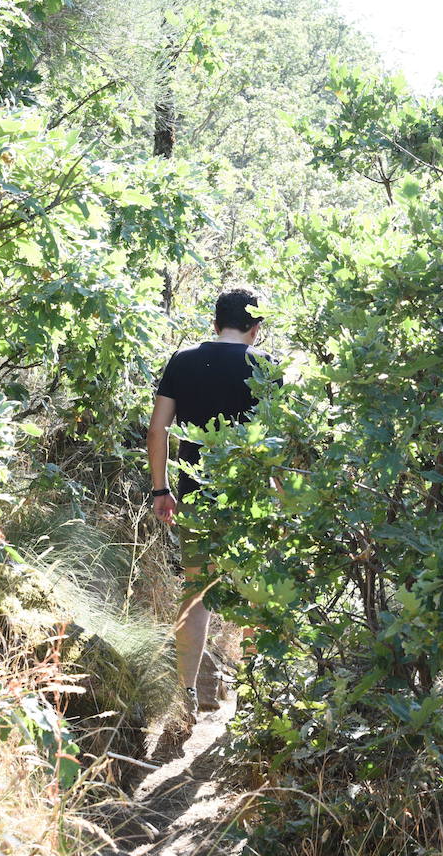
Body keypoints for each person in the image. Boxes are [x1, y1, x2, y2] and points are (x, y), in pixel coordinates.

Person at [147, 284, 275, 732]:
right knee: (258, 595)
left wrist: (162, 490)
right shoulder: (266, 369)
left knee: (197, 591)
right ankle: (258, 703)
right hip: (252, 498)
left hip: (194, 492)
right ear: (256, 328)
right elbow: (279, 444)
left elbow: (157, 431)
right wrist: (281, 496)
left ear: (214, 323)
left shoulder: (182, 362)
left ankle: (184, 700)